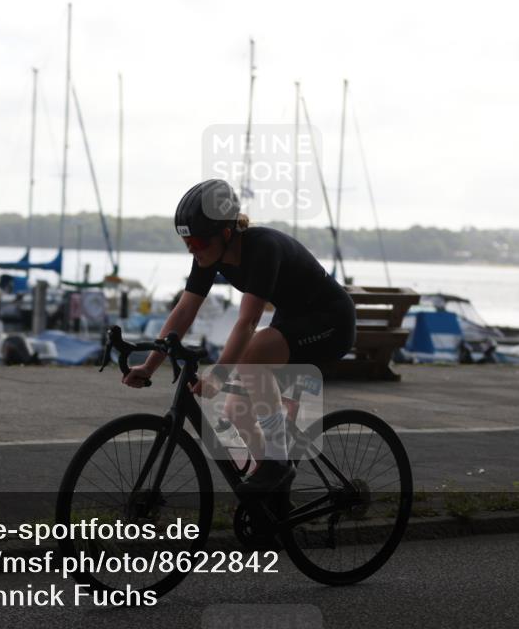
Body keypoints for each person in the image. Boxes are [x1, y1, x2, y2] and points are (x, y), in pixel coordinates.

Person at [123, 179, 356, 492]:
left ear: (227, 234)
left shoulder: (263, 248)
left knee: (254, 352)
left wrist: (218, 375)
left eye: (198, 242)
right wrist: (150, 366)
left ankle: (277, 464)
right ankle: (272, 498)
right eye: (187, 242)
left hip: (331, 321)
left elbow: (248, 322)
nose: (193, 249)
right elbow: (184, 311)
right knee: (235, 411)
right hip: (295, 319)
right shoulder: (209, 255)